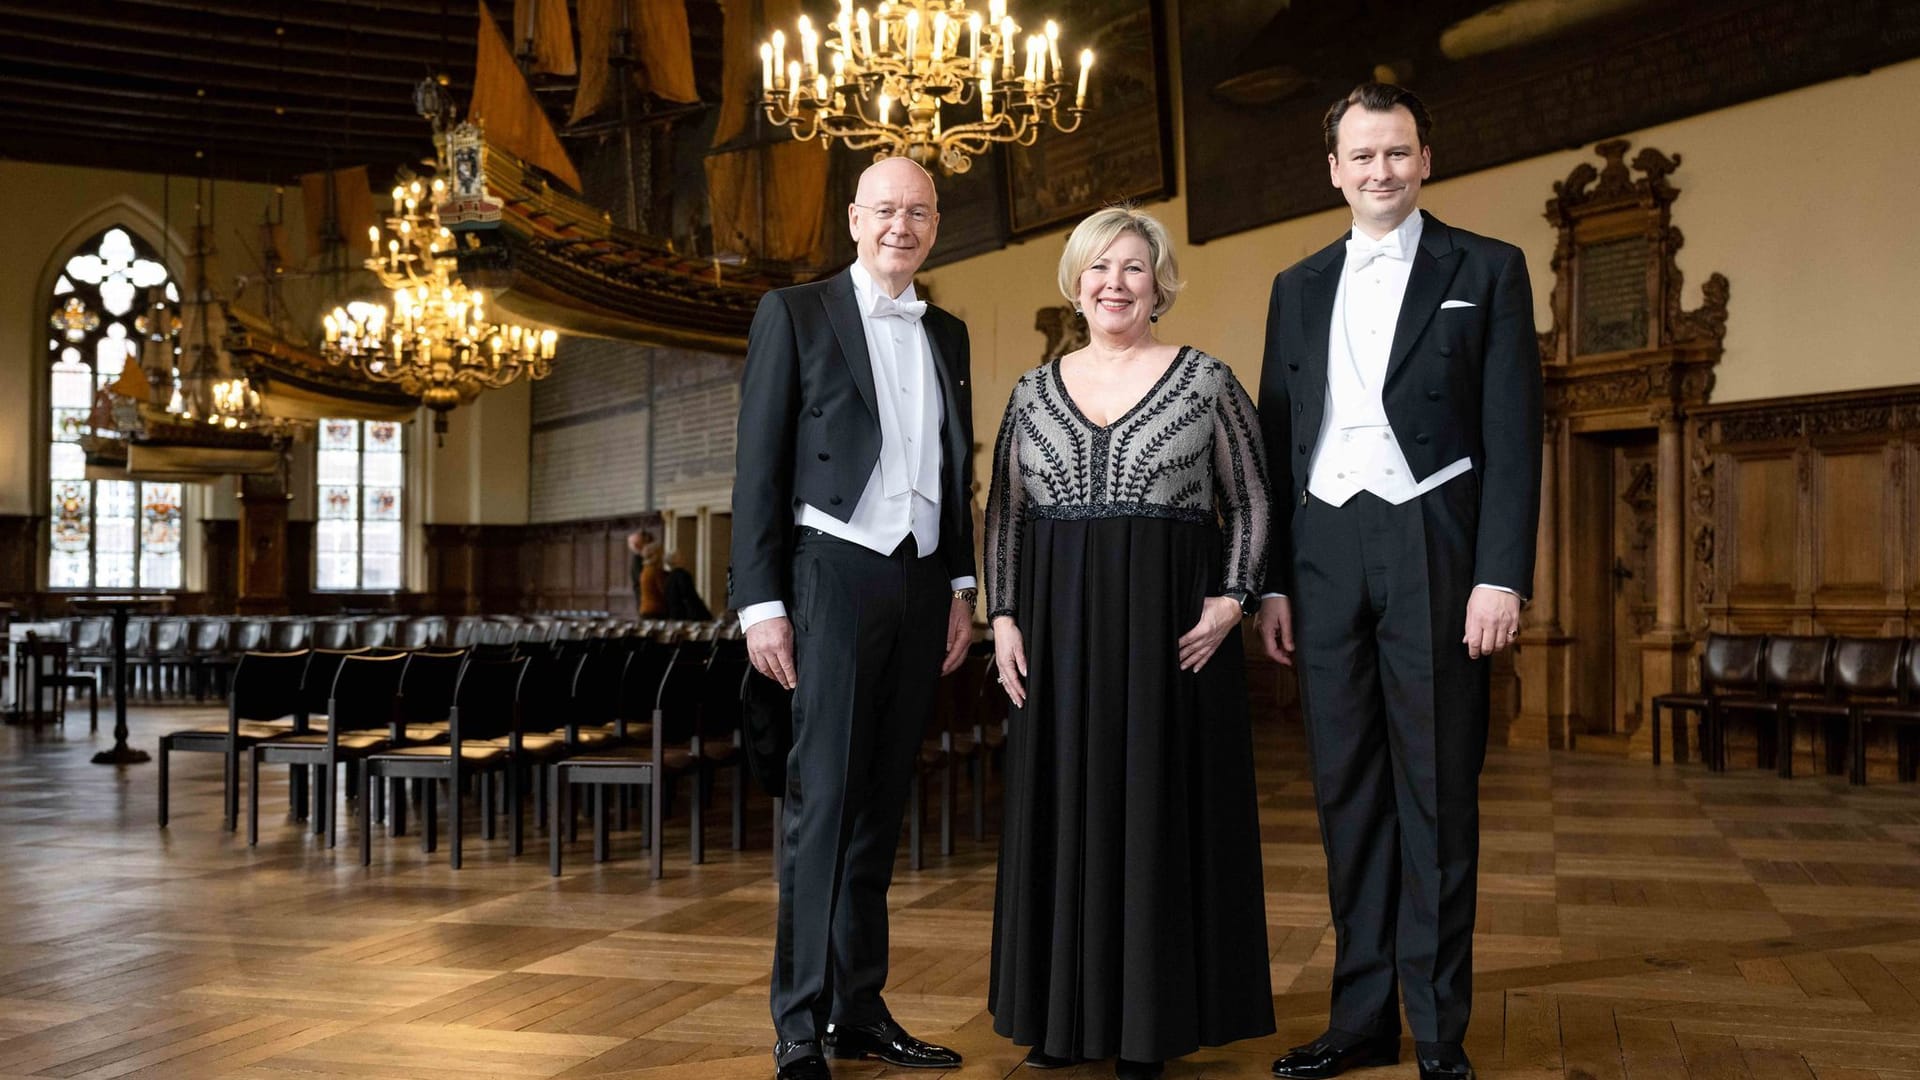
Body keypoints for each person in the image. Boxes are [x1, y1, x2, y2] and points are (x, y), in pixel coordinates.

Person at [1256, 83, 1542, 1080]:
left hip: (1435, 542)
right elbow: (1277, 443)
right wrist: (1274, 585)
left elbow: (1513, 437)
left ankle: (1439, 1031)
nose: (1380, 170)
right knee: (1346, 795)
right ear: (1334, 169)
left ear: (1426, 159)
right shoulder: (1294, 286)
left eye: (1398, 152)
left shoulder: (1488, 269)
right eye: (1361, 155)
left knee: (1436, 794)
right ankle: (1361, 1018)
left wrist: (1500, 575)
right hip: (1324, 547)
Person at [984, 206, 1277, 1080]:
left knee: (1157, 809)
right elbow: (1004, 514)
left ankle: (1151, 1023)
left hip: (1172, 639)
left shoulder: (1207, 381)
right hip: (1056, 642)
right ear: (1076, 282)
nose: (1115, 283)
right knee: (1062, 807)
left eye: (1134, 269)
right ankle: (1058, 1020)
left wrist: (1232, 601)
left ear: (1160, 284)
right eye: (1100, 267)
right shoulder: (1030, 394)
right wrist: (1002, 619)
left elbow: (1256, 501)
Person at [730, 156, 977, 1080]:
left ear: (935, 222)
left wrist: (960, 587)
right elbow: (757, 465)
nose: (900, 226)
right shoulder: (793, 312)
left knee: (880, 802)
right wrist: (761, 602)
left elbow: (957, 473)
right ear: (853, 218)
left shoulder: (946, 332)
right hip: (829, 571)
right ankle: (797, 1023)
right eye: (885, 210)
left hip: (918, 583)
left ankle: (858, 1008)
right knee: (822, 803)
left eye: (917, 212)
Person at [663, 549, 713, 621]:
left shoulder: (669, 577)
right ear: (675, 560)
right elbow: (690, 596)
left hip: (673, 615)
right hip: (685, 616)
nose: (683, 558)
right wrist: (705, 614)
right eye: (679, 556)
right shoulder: (683, 575)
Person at [626, 530, 654, 615]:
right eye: (645, 542)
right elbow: (643, 580)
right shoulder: (638, 561)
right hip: (646, 601)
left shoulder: (641, 559)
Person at [637, 542, 668, 618]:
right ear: (655, 555)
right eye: (662, 553)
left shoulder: (645, 569)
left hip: (646, 608)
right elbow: (663, 590)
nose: (663, 556)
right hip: (655, 610)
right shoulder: (654, 571)